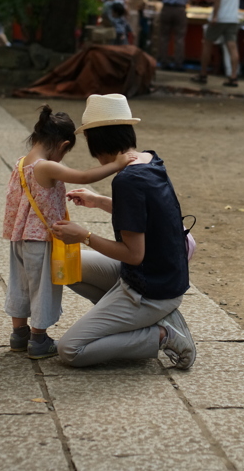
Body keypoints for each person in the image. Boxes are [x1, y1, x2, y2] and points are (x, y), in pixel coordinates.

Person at [51, 93, 196, 369]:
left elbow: (133, 254)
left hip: (150, 289)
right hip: (163, 276)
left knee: (71, 350)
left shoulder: (128, 181)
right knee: (67, 265)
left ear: (96, 141)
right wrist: (99, 201)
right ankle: (137, 320)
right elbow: (148, 216)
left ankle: (163, 334)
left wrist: (83, 235)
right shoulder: (147, 160)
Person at [2, 105, 134, 360]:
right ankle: (38, 340)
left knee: (20, 285)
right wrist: (117, 164)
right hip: (41, 241)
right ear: (62, 146)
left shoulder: (21, 164)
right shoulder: (46, 167)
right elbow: (84, 176)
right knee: (44, 289)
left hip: (19, 240)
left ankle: (19, 335)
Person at [191, 0, 241, 87]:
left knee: (207, 43)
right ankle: (233, 76)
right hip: (233, 16)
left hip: (220, 17)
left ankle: (203, 74)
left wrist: (215, 15)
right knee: (232, 46)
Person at [154, 0, 196, 70]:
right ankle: (178, 63)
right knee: (179, 38)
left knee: (164, 37)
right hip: (180, 9)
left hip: (166, 9)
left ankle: (163, 62)